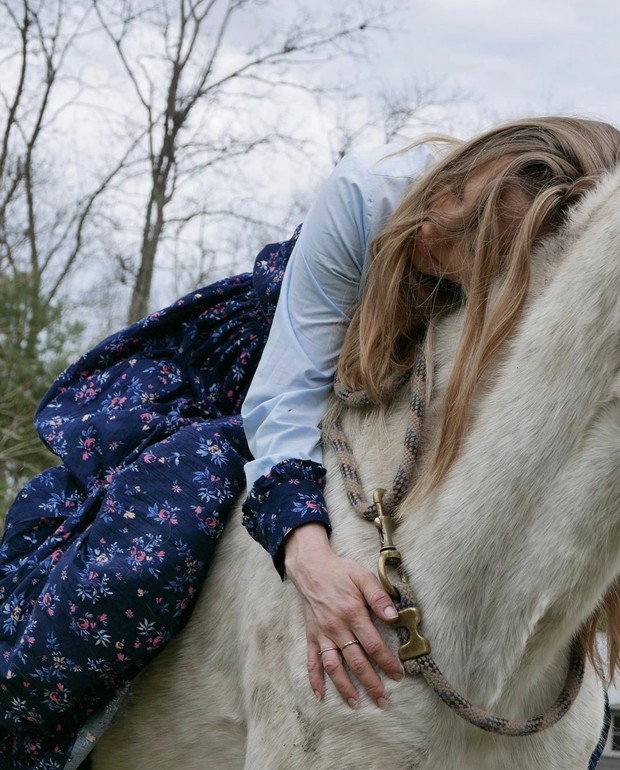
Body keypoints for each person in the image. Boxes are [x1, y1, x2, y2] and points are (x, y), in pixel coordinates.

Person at [0, 116, 618, 769]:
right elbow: (284, 394)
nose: (432, 234)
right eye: (449, 204)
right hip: (267, 374)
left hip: (405, 383)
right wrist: (307, 549)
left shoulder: (538, 274)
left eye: (467, 244)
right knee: (171, 502)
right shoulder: (369, 189)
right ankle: (32, 726)